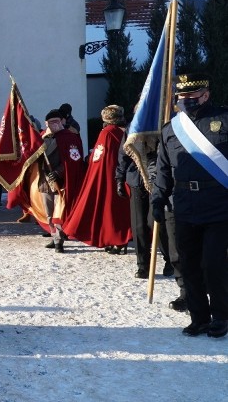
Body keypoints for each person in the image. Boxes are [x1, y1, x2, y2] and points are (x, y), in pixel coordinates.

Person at [152, 73, 228, 338]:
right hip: (184, 205)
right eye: (181, 98)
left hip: (219, 205)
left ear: (206, 95)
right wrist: (158, 197)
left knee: (214, 263)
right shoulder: (171, 128)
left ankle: (221, 316)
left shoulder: (224, 119)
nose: (186, 102)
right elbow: (163, 168)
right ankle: (200, 318)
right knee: (189, 264)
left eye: (191, 98)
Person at [62, 105, 132, 252]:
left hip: (108, 178)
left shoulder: (107, 133)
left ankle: (117, 240)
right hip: (120, 176)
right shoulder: (123, 132)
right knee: (118, 210)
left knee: (110, 211)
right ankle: (118, 241)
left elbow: (99, 158)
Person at [116, 141, 174, 280]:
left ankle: (170, 260)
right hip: (137, 178)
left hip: (158, 180)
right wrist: (119, 177)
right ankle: (143, 265)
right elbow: (124, 151)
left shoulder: (164, 123)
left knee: (156, 222)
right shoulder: (135, 125)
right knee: (139, 225)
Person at [38, 109, 86, 253]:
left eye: (56, 121)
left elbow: (73, 160)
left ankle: (59, 239)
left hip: (61, 181)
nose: (53, 125)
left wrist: (59, 172)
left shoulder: (70, 137)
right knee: (49, 212)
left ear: (61, 122)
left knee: (59, 211)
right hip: (44, 180)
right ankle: (54, 236)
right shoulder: (41, 138)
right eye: (50, 122)